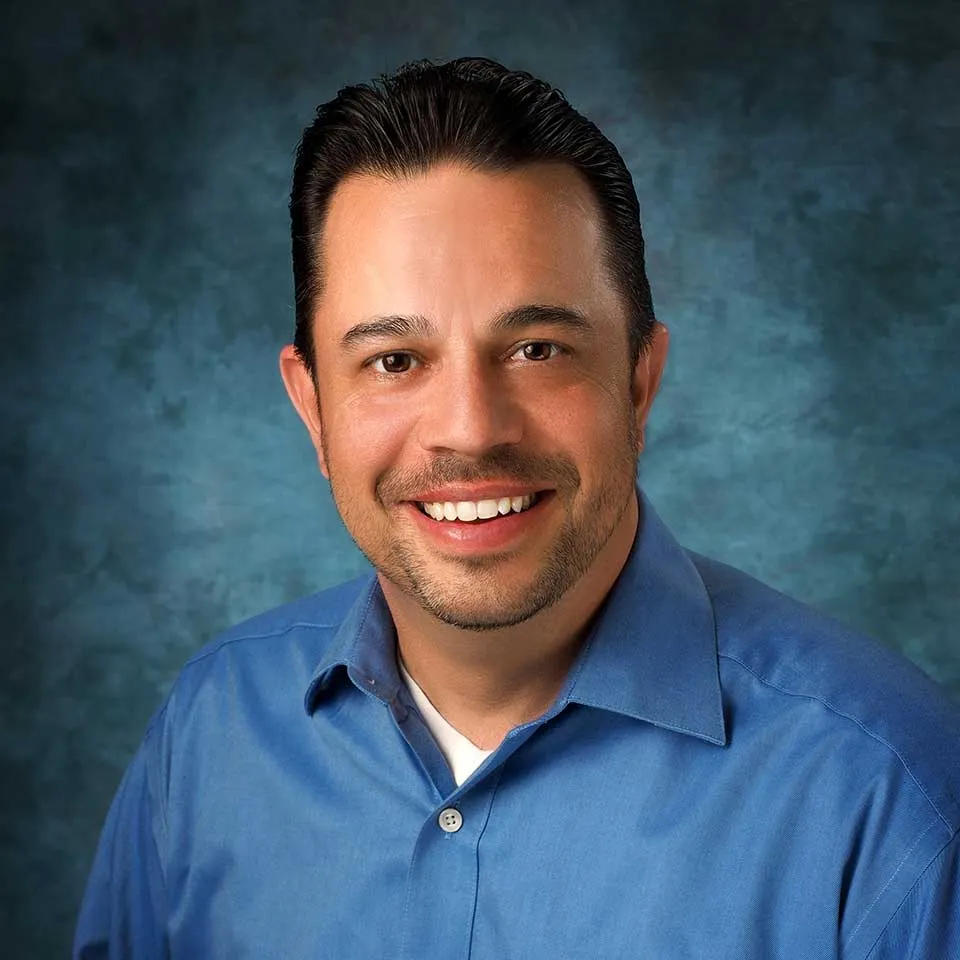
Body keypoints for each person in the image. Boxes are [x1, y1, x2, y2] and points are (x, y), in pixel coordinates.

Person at [73, 56, 959, 959]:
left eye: (537, 349)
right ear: (313, 408)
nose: (469, 429)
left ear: (639, 384)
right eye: (393, 361)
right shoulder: (213, 729)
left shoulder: (890, 793)